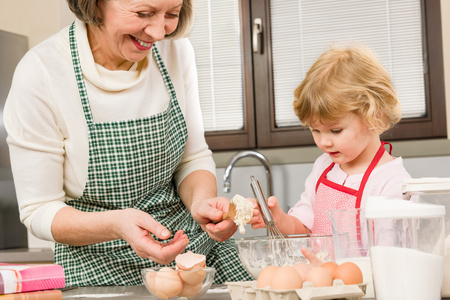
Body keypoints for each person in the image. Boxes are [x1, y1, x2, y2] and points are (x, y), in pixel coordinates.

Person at [3, 0, 253, 286]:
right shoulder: (42, 73)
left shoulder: (176, 50)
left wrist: (202, 204)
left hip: (193, 253)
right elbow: (39, 209)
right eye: (143, 14)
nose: (159, 33)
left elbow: (192, 158)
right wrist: (118, 225)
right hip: (98, 268)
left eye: (171, 14)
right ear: (96, 6)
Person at [250, 44, 412, 236]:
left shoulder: (393, 183)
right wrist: (279, 220)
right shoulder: (324, 167)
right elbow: (305, 227)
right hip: (321, 266)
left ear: (374, 117)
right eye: (315, 130)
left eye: (336, 130)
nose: (324, 142)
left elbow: (391, 255)